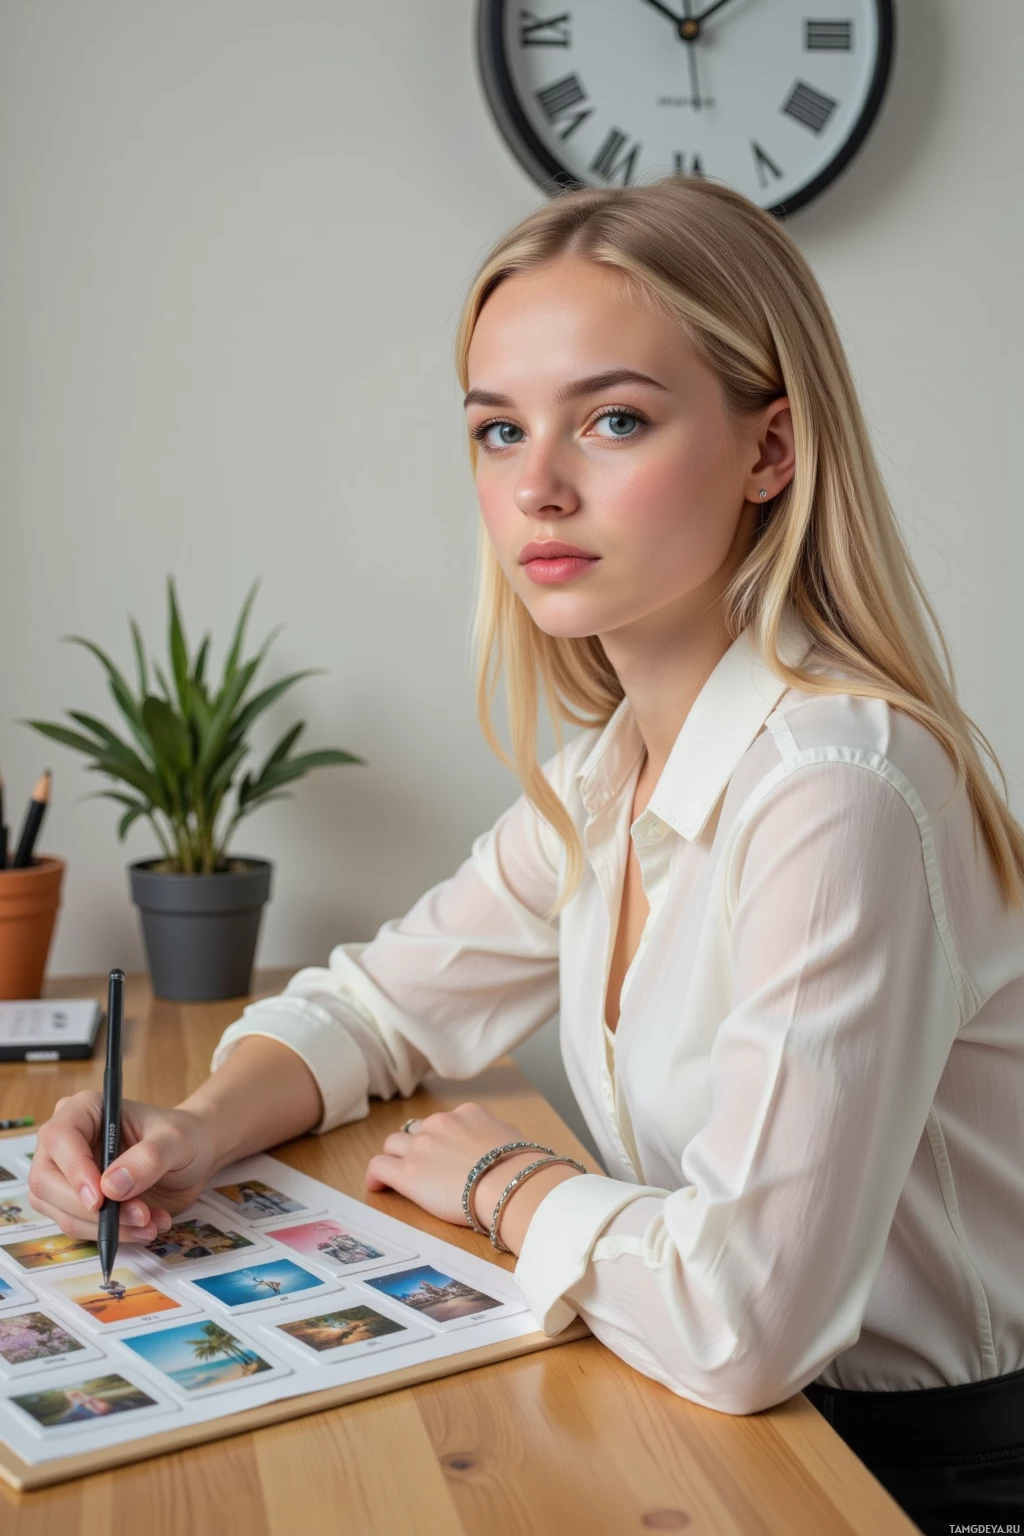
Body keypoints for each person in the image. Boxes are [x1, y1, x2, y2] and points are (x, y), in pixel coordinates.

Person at [27, 176, 1024, 1532]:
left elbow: (747, 1321)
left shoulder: (837, 786)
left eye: (615, 419)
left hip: (909, 1472)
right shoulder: (612, 776)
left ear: (770, 452)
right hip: (713, 1415)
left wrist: (506, 1181)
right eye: (499, 430)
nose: (539, 485)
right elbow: (381, 1006)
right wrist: (192, 1130)